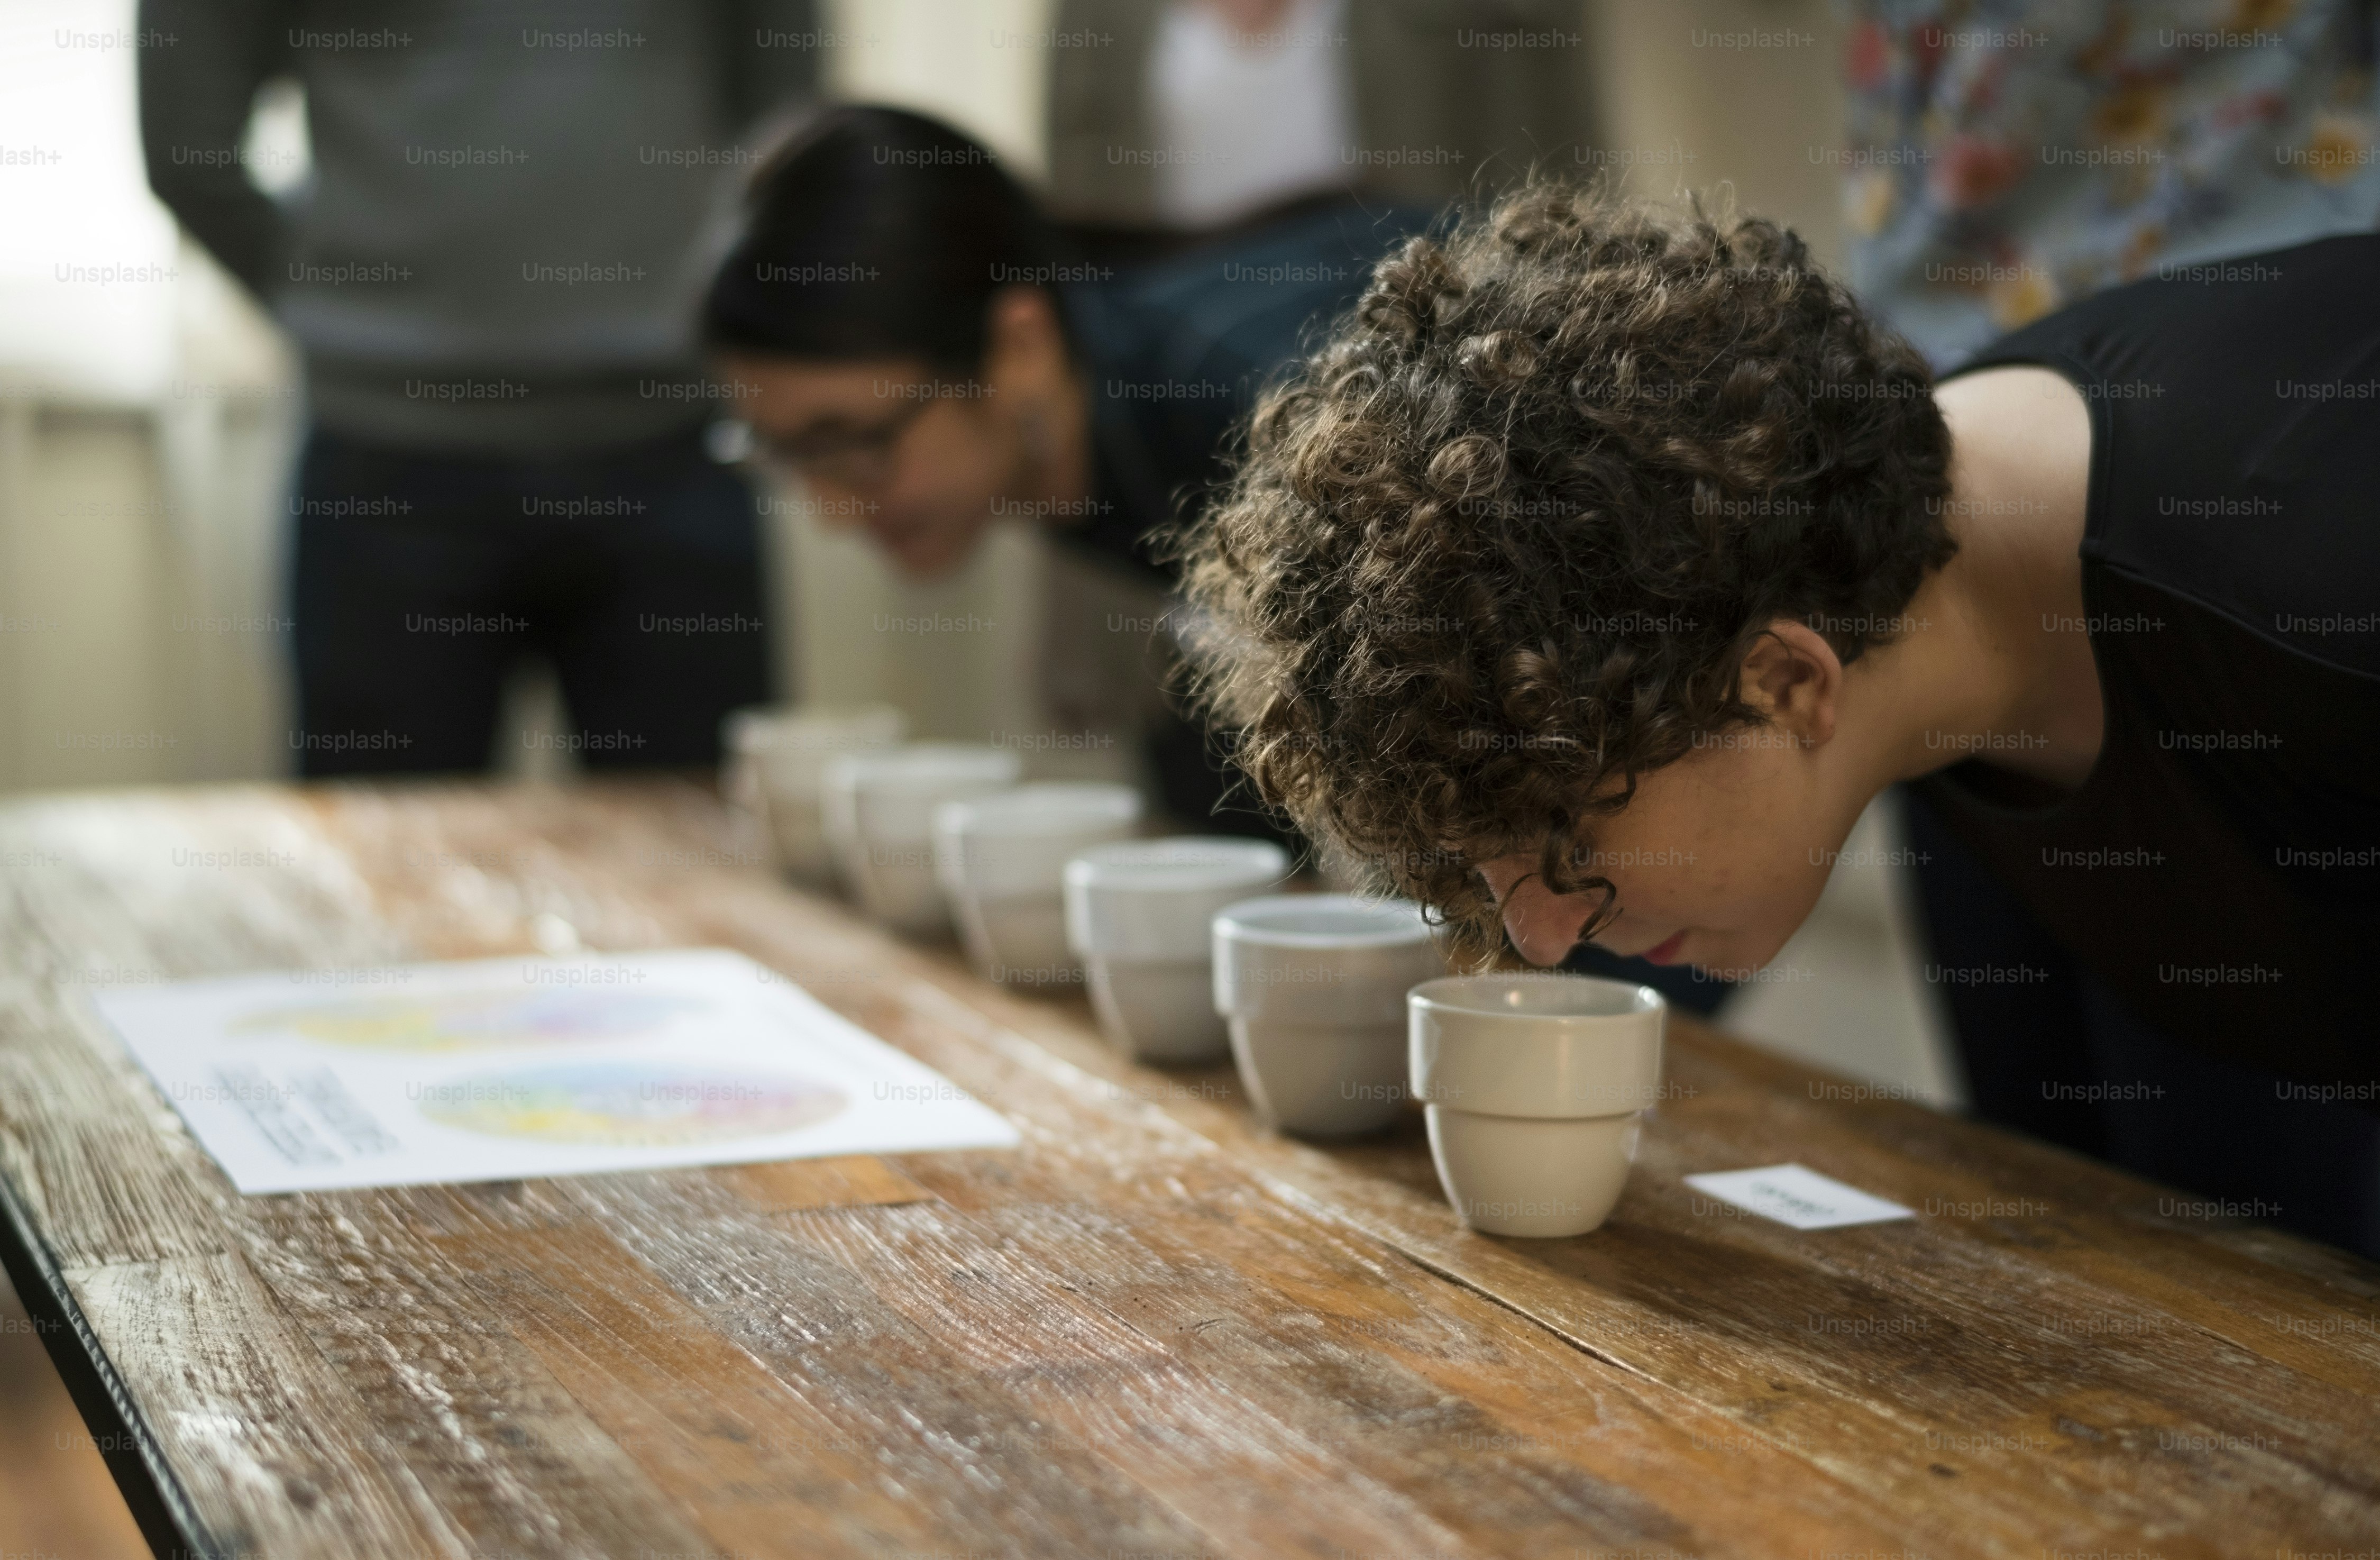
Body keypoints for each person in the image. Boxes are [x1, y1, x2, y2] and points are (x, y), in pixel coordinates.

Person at [1170, 179, 2380, 1256]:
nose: (1537, 939)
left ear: (1787, 682)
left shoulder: (2304, 590)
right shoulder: (1917, 655)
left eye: (1567, 842)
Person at [699, 105, 1730, 1016]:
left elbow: (1571, 717)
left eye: (854, 442)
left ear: (1014, 343)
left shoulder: (1271, 415)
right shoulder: (1093, 426)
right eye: (790, 455)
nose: (833, 509)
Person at [139, 1, 820, 776]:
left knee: (711, 847)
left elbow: (789, 125)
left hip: (675, 441)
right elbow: (186, 143)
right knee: (381, 861)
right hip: (387, 461)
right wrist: (338, 303)